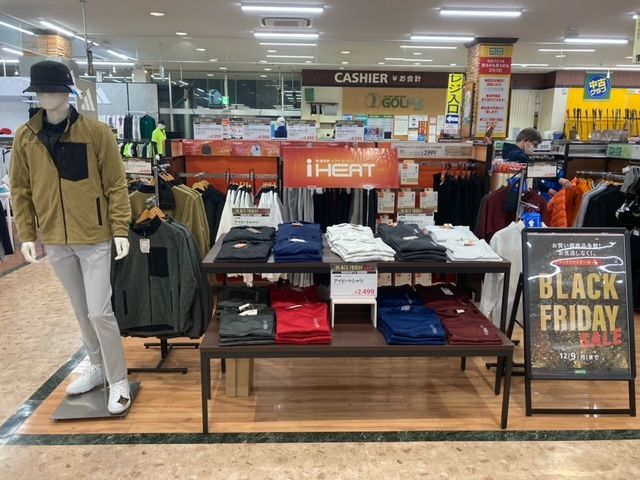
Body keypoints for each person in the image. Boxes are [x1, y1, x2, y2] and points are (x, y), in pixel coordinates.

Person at [10, 61, 133, 414]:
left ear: (67, 93)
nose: (46, 96)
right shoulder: (25, 137)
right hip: (55, 238)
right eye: (41, 90)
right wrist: (27, 233)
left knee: (99, 311)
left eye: (53, 89)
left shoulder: (95, 133)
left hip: (94, 236)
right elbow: (20, 188)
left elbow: (116, 184)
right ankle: (96, 366)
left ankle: (118, 378)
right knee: (80, 311)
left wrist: (119, 228)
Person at [501, 127, 570, 195]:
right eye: (535, 144)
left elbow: (531, 177)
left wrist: (547, 189)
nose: (535, 148)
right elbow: (537, 169)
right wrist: (559, 179)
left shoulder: (511, 152)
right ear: (525, 140)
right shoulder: (516, 155)